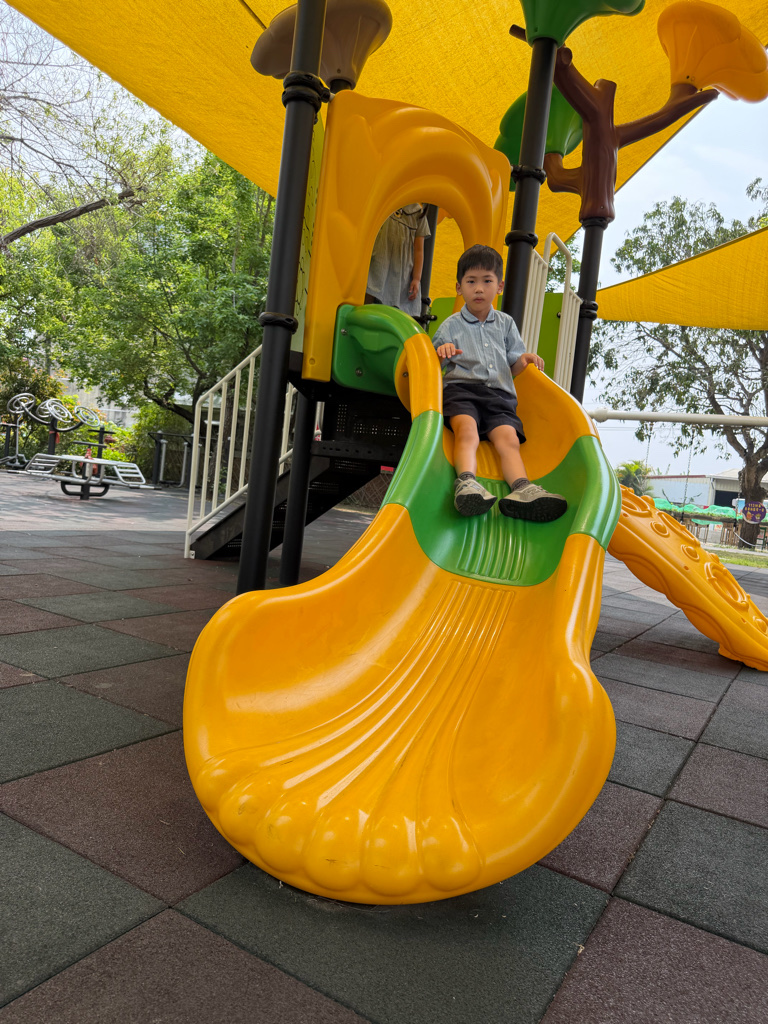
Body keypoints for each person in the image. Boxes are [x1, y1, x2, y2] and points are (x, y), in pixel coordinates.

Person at [432, 244, 567, 521]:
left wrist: (523, 359)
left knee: (508, 439)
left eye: (487, 281)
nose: (479, 289)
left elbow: (513, 366)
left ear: (500, 286)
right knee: (466, 431)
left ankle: (522, 488)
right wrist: (441, 352)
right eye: (471, 282)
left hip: (499, 396)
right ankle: (466, 482)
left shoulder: (506, 324)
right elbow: (435, 364)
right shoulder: (451, 326)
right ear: (459, 288)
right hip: (462, 392)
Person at [365, 204, 430, 316]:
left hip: (401, 272)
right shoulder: (388, 203)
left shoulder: (418, 214)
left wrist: (416, 278)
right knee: (370, 291)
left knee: (395, 306)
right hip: (380, 263)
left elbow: (419, 250)